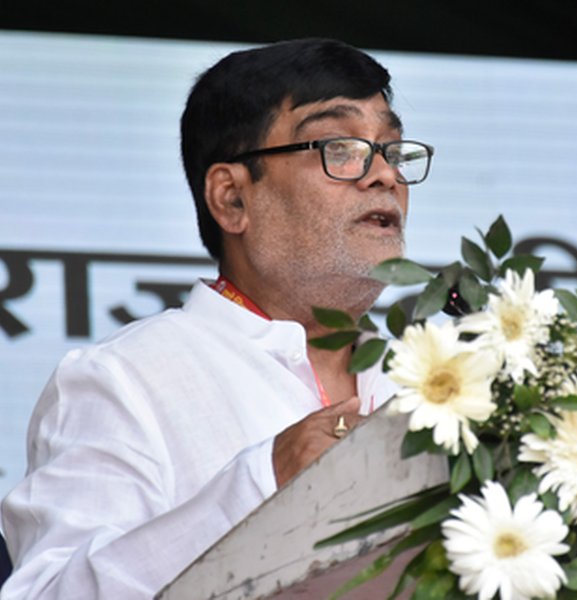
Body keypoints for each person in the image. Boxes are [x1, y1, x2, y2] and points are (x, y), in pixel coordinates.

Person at [0, 38, 434, 599]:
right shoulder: (124, 379)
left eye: (391, 150)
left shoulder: (434, 382)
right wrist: (262, 483)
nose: (385, 177)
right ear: (231, 198)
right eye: (340, 147)